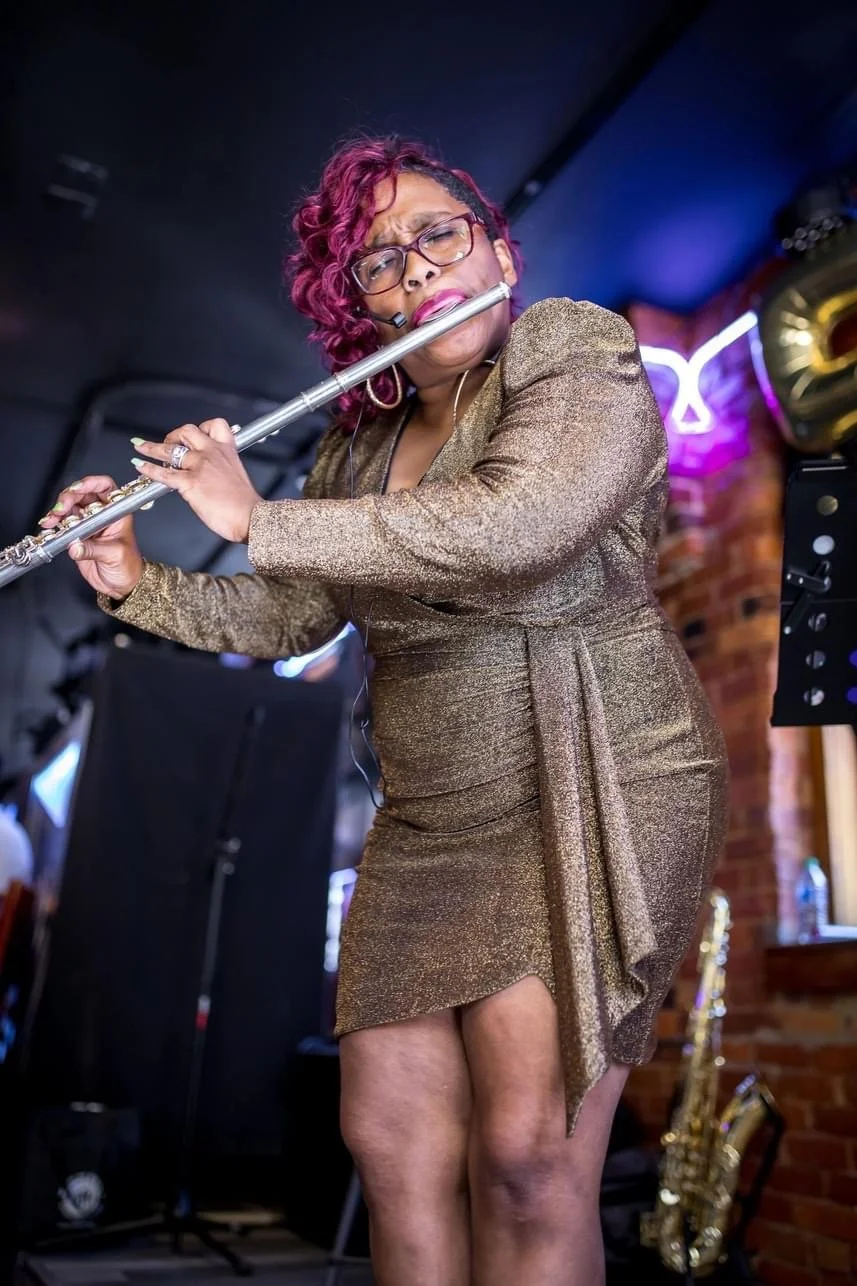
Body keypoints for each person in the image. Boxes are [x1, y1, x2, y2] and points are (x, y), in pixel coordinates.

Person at [41, 136, 729, 1286]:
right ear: (355, 302)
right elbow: (295, 616)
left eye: (436, 235)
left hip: (584, 773)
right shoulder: (356, 447)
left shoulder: (569, 349)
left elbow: (512, 526)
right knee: (395, 1145)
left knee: (523, 1160)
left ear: (495, 247)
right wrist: (132, 578)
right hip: (427, 822)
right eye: (376, 262)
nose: (412, 270)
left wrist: (252, 515)